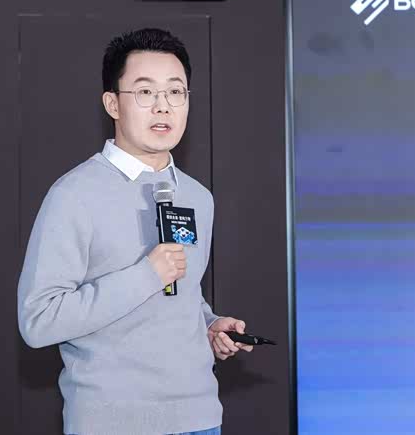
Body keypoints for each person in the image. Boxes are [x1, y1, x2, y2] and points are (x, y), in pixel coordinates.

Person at [17, 27, 253, 435]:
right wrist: (146, 275)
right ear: (113, 103)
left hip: (200, 420)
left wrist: (209, 325)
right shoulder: (74, 194)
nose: (163, 107)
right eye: (145, 92)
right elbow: (39, 320)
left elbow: (179, 295)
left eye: (175, 92)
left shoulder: (197, 197)